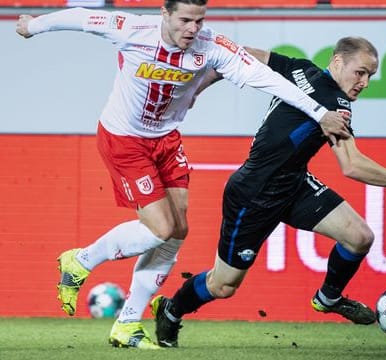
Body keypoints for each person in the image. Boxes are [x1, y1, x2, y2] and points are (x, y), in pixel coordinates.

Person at [15, 1, 351, 350]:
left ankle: (127, 324)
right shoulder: (132, 29)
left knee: (177, 232)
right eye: (185, 20)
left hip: (166, 138)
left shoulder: (211, 46)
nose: (193, 28)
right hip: (124, 139)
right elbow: (83, 18)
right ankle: (80, 261)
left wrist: (319, 111)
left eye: (199, 20)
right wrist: (34, 24)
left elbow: (265, 78)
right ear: (165, 14)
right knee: (161, 228)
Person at [150, 36, 386, 348]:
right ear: (337, 62)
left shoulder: (300, 69)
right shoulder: (334, 102)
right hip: (254, 195)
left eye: (370, 76)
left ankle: (328, 298)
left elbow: (239, 56)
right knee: (223, 285)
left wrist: (198, 87)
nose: (365, 82)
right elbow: (352, 165)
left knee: (360, 237)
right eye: (360, 72)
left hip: (294, 184)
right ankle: (172, 309)